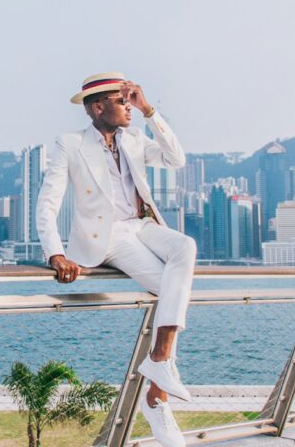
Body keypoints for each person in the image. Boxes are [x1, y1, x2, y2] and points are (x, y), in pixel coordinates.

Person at [35, 71, 196, 447]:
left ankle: (158, 364)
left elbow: (176, 158)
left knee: (184, 248)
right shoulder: (70, 144)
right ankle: (157, 395)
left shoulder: (135, 139)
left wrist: (148, 109)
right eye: (122, 100)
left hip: (142, 226)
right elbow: (48, 200)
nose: (128, 105)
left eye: (129, 99)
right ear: (97, 107)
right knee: (173, 292)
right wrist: (55, 252)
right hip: (108, 239)